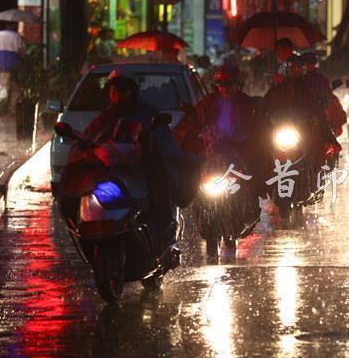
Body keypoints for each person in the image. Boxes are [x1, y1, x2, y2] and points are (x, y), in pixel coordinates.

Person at [83, 70, 200, 247]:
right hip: (113, 171)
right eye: (113, 90)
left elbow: (165, 144)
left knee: (160, 182)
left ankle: (163, 232)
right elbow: (89, 137)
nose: (117, 95)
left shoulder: (147, 113)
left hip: (142, 168)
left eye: (122, 90)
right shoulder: (104, 117)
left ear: (132, 92)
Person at [174, 64, 271, 182]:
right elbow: (188, 127)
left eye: (229, 84)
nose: (225, 89)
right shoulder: (207, 103)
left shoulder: (248, 105)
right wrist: (201, 135)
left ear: (238, 84)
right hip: (213, 158)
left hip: (244, 157)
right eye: (221, 85)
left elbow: (263, 131)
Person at [264, 54, 340, 166]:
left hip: (305, 130)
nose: (295, 70)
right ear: (286, 69)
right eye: (292, 68)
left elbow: (317, 109)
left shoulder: (308, 90)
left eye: (298, 68)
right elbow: (266, 106)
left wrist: (314, 115)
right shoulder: (277, 90)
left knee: (319, 143)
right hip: (282, 129)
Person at [302, 51, 347, 137]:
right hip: (302, 117)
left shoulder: (321, 79)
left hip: (319, 115)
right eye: (307, 63)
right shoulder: (299, 80)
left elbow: (327, 94)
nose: (309, 65)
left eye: (311, 63)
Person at [0, 22, 25, 114]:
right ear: (14, 25)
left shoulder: (0, 34)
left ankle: (1, 107)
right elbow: (22, 50)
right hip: (16, 65)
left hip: (4, 64)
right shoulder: (18, 36)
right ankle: (12, 109)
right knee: (15, 89)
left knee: (3, 87)